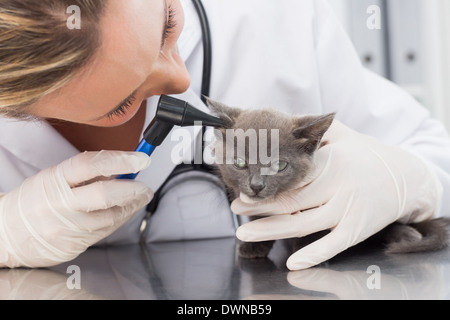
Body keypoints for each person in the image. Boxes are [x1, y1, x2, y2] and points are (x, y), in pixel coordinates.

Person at [0, 0, 449, 269]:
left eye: (167, 25)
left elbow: (436, 154)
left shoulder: (270, 18)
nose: (179, 81)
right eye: (120, 103)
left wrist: (412, 179)